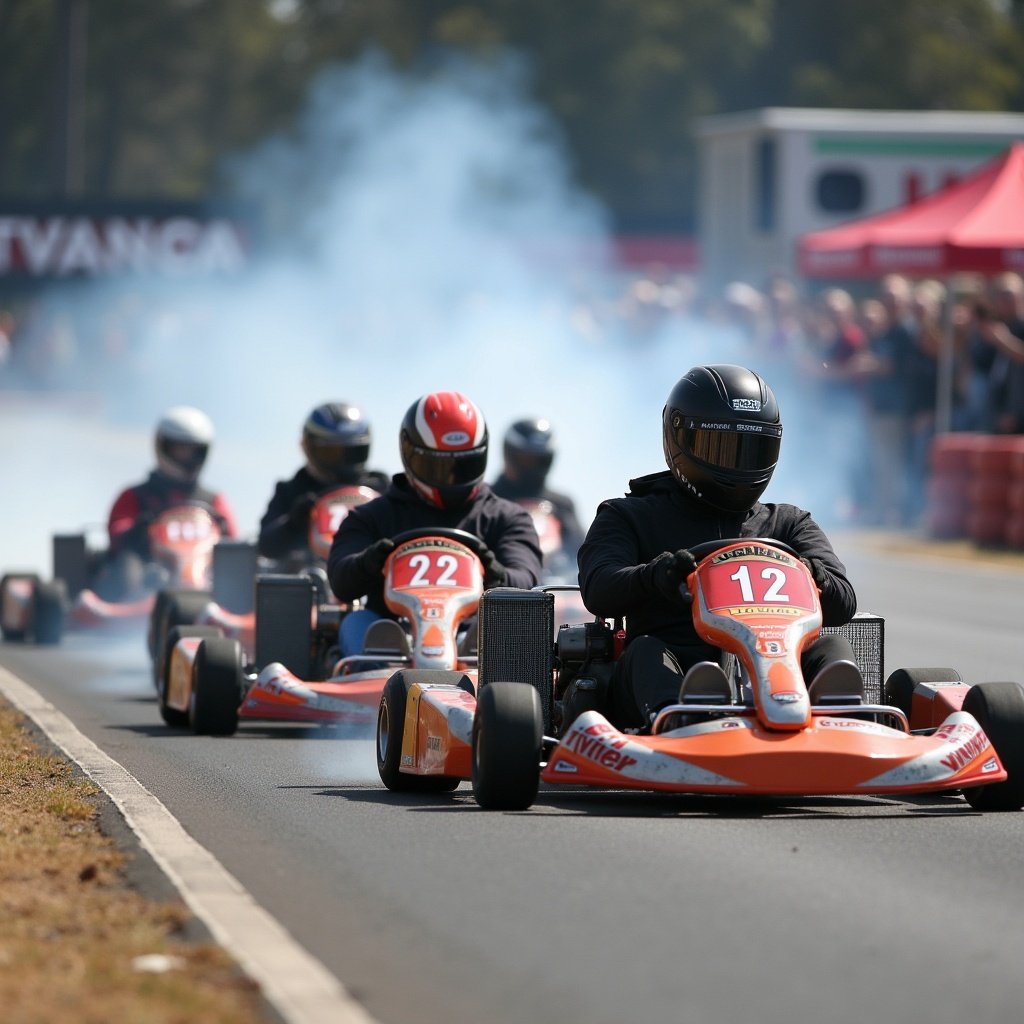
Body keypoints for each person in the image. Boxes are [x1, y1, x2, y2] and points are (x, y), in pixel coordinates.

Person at [575, 364, 859, 731]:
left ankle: (837, 719)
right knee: (645, 651)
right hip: (673, 669)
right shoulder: (630, 515)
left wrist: (812, 574)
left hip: (778, 670)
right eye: (721, 447)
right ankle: (683, 717)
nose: (737, 465)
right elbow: (599, 588)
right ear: (680, 439)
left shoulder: (788, 524)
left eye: (752, 450)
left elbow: (844, 601)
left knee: (829, 648)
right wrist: (655, 576)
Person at [327, 391, 543, 656]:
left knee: (506, 627)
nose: (451, 478)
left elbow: (526, 579)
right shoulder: (372, 516)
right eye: (438, 466)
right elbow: (340, 579)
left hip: (472, 637)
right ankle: (377, 681)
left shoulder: (508, 518)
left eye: (463, 465)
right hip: (391, 634)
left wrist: (496, 575)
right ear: (410, 455)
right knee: (356, 622)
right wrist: (369, 562)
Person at [97, 406, 238, 599]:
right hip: (153, 573)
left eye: (192, 451)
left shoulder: (213, 500)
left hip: (205, 575)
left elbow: (234, 539)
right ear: (163, 447)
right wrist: (141, 529)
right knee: (128, 565)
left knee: (238, 565)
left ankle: (228, 602)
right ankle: (126, 613)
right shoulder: (135, 495)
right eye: (180, 450)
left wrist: (222, 530)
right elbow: (118, 535)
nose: (186, 456)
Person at [258, 402, 390, 563]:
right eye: (332, 453)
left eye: (351, 452)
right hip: (309, 579)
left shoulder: (381, 487)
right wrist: (292, 523)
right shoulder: (292, 491)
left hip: (371, 575)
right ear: (306, 447)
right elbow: (266, 546)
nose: (342, 462)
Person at [490, 417, 586, 566]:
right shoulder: (487, 498)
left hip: (554, 584)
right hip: (498, 582)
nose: (532, 467)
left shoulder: (562, 504)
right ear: (509, 454)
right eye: (526, 459)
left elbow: (581, 554)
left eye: (540, 460)